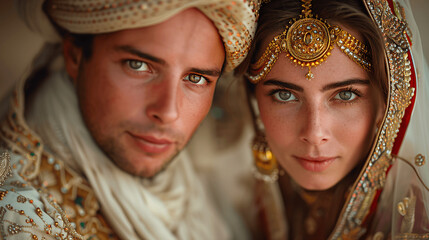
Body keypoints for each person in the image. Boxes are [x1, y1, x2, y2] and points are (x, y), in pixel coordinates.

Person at [0, 0, 260, 239]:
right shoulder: (19, 216)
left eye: (196, 79)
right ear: (74, 56)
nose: (168, 112)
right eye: (137, 65)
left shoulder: (208, 189)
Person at [237, 0, 429, 239]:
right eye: (284, 95)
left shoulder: (416, 220)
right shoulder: (237, 198)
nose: (315, 133)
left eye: (345, 95)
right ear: (253, 97)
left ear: (387, 101)